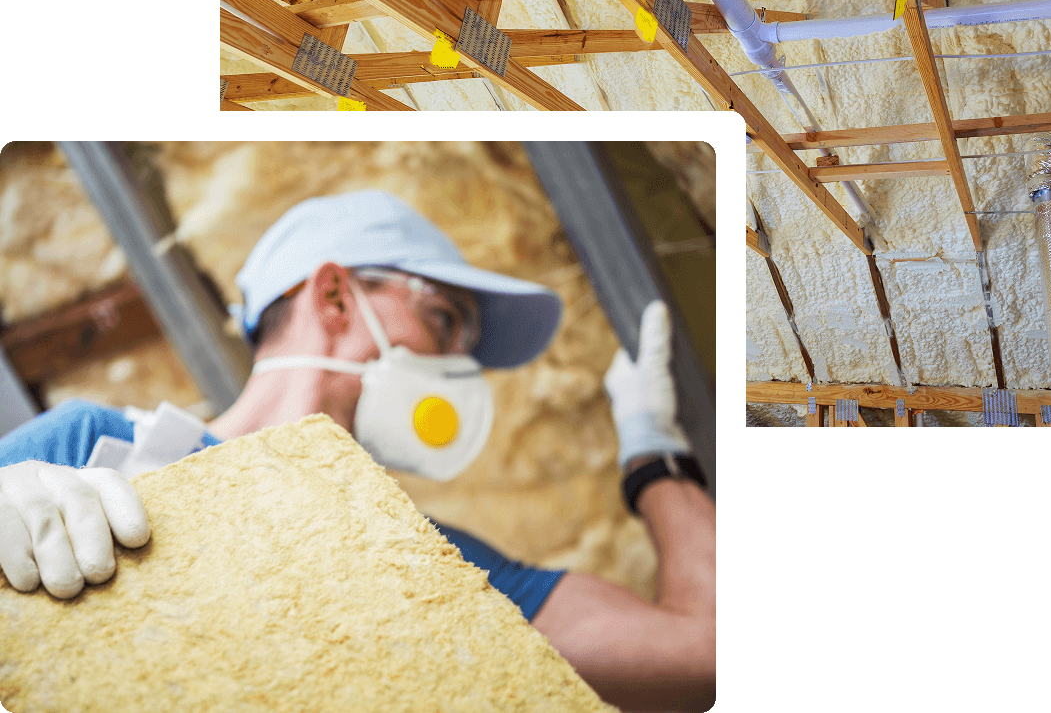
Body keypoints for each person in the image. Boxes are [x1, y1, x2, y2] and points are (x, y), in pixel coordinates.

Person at [0, 190, 715, 712]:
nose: (458, 365)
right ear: (336, 298)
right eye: (443, 319)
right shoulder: (83, 453)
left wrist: (653, 452)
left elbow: (700, 650)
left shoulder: (434, 558)